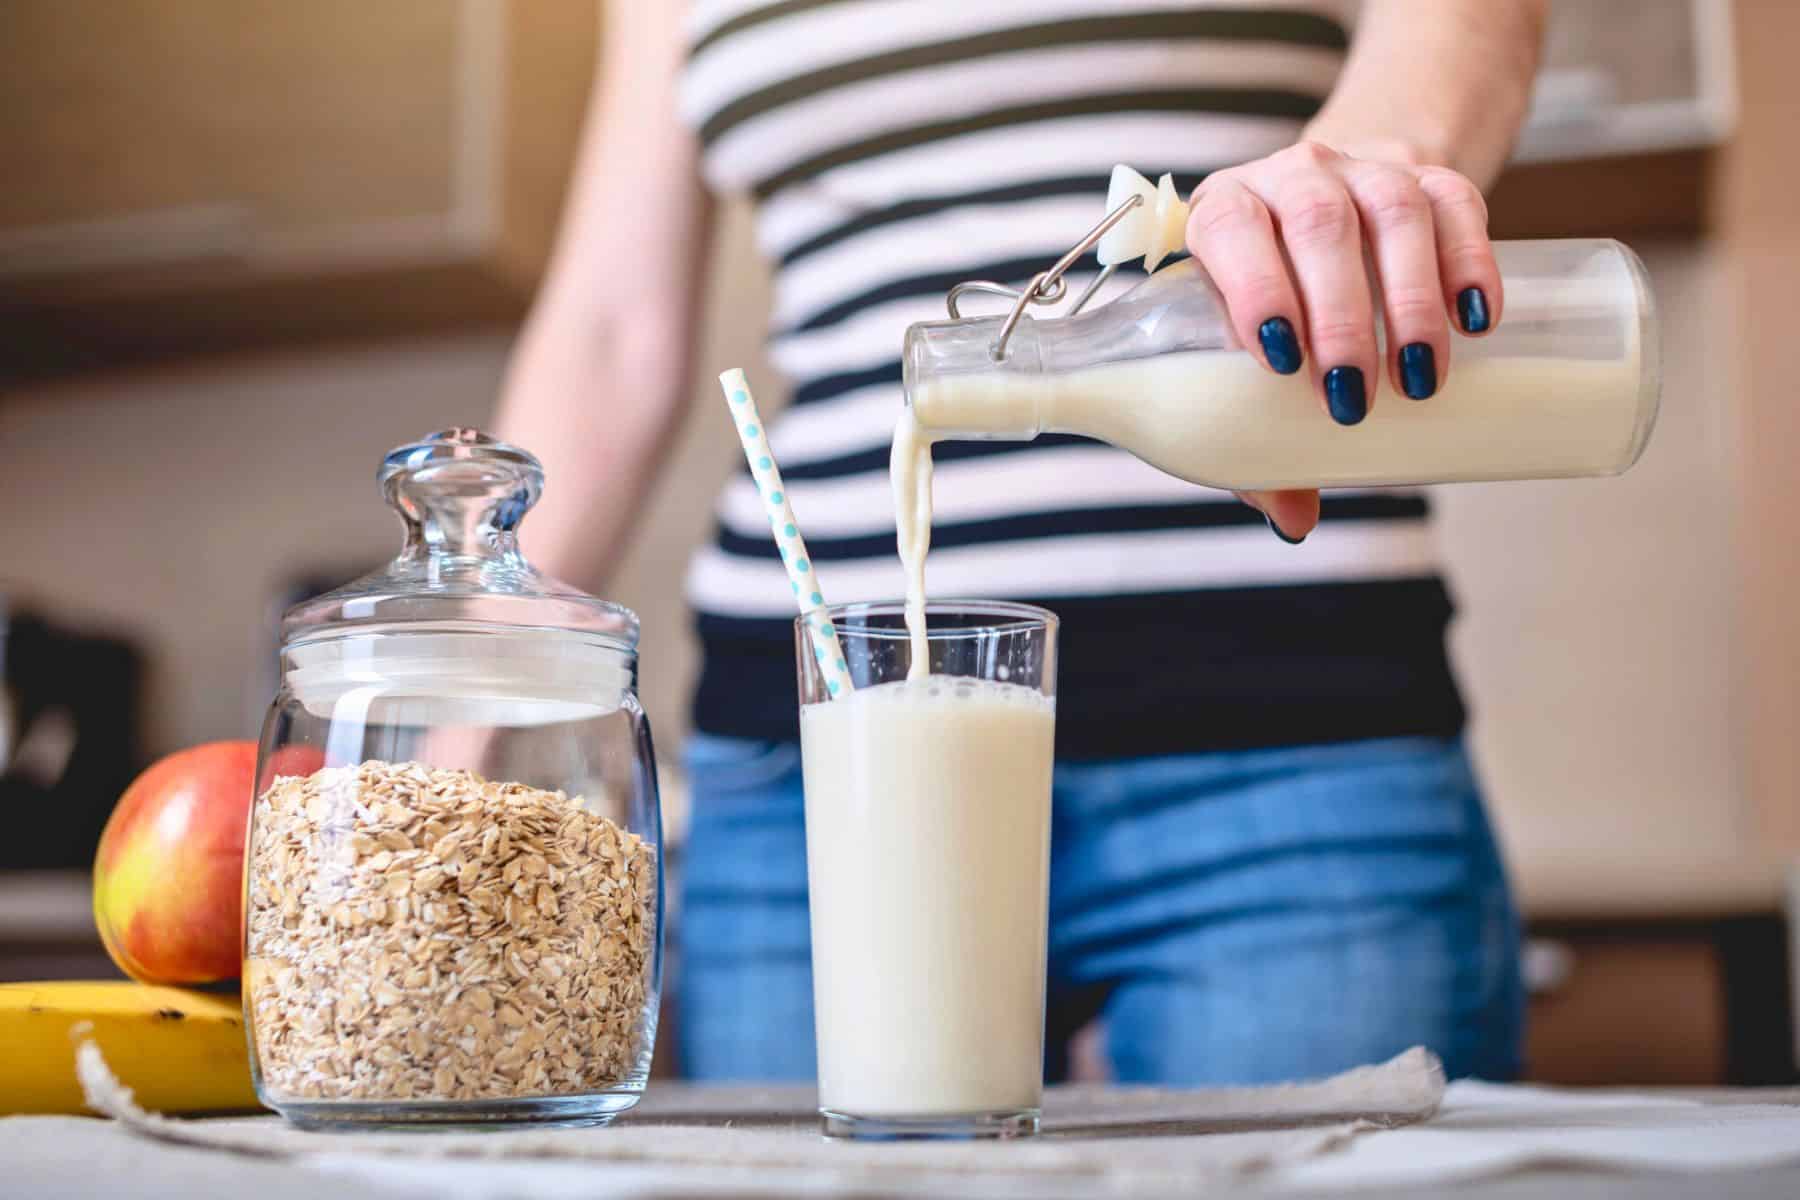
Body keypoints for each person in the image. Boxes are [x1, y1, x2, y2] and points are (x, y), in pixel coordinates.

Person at [496, 0, 1546, 1084]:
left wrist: (1365, 172)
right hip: (820, 760)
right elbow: (609, 332)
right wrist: (452, 720)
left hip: (1290, 718)